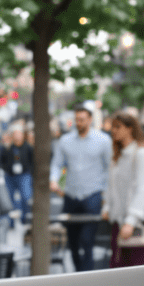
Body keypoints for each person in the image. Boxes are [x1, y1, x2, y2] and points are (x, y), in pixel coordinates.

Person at [101, 113, 144, 286]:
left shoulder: (142, 154)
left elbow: (143, 188)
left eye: (118, 127)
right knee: (121, 270)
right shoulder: (117, 156)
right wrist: (108, 208)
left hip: (138, 221)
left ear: (130, 128)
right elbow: (111, 187)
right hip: (118, 221)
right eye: (112, 127)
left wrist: (131, 220)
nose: (113, 131)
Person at [50, 106, 113, 271]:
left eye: (82, 119)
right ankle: (79, 271)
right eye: (77, 119)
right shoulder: (66, 141)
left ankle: (87, 273)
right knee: (73, 240)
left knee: (87, 240)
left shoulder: (103, 140)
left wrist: (105, 193)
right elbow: (57, 164)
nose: (79, 123)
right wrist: (54, 180)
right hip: (71, 195)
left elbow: (109, 168)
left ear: (90, 120)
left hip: (92, 194)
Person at [0, 127, 34, 223]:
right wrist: (6, 168)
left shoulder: (28, 147)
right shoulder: (8, 147)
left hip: (24, 175)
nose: (17, 136)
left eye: (19, 134)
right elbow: (2, 160)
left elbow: (32, 161)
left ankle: (25, 218)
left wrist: (29, 170)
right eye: (15, 134)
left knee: (26, 196)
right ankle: (10, 221)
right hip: (10, 176)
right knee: (9, 198)